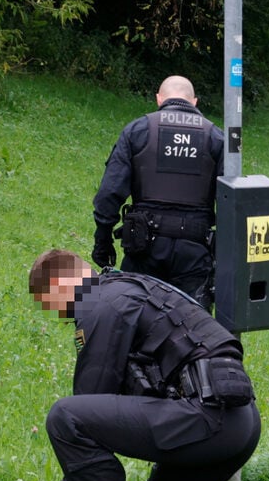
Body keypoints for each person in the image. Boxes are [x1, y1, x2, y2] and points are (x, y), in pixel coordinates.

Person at [28, 249, 269, 481]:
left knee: (63, 415)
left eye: (50, 304)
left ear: (59, 285)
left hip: (206, 421)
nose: (58, 315)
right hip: (239, 424)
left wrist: (76, 475)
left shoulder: (99, 302)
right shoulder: (132, 288)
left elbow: (87, 406)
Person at [91, 75, 224, 309]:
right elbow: (232, 202)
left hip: (143, 247)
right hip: (194, 250)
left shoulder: (138, 130)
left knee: (135, 322)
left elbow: (109, 193)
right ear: (194, 101)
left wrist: (103, 240)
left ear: (158, 99)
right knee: (192, 331)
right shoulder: (216, 137)